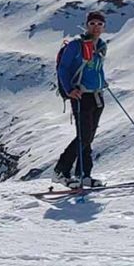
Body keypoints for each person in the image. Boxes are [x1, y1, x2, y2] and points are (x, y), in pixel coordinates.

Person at [55, 11, 108, 188]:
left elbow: (96, 68)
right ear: (86, 25)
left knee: (88, 137)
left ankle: (84, 174)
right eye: (93, 23)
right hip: (80, 95)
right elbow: (63, 68)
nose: (96, 27)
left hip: (96, 95)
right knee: (84, 136)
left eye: (99, 24)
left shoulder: (100, 45)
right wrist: (69, 90)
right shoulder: (76, 45)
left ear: (104, 27)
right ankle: (61, 171)